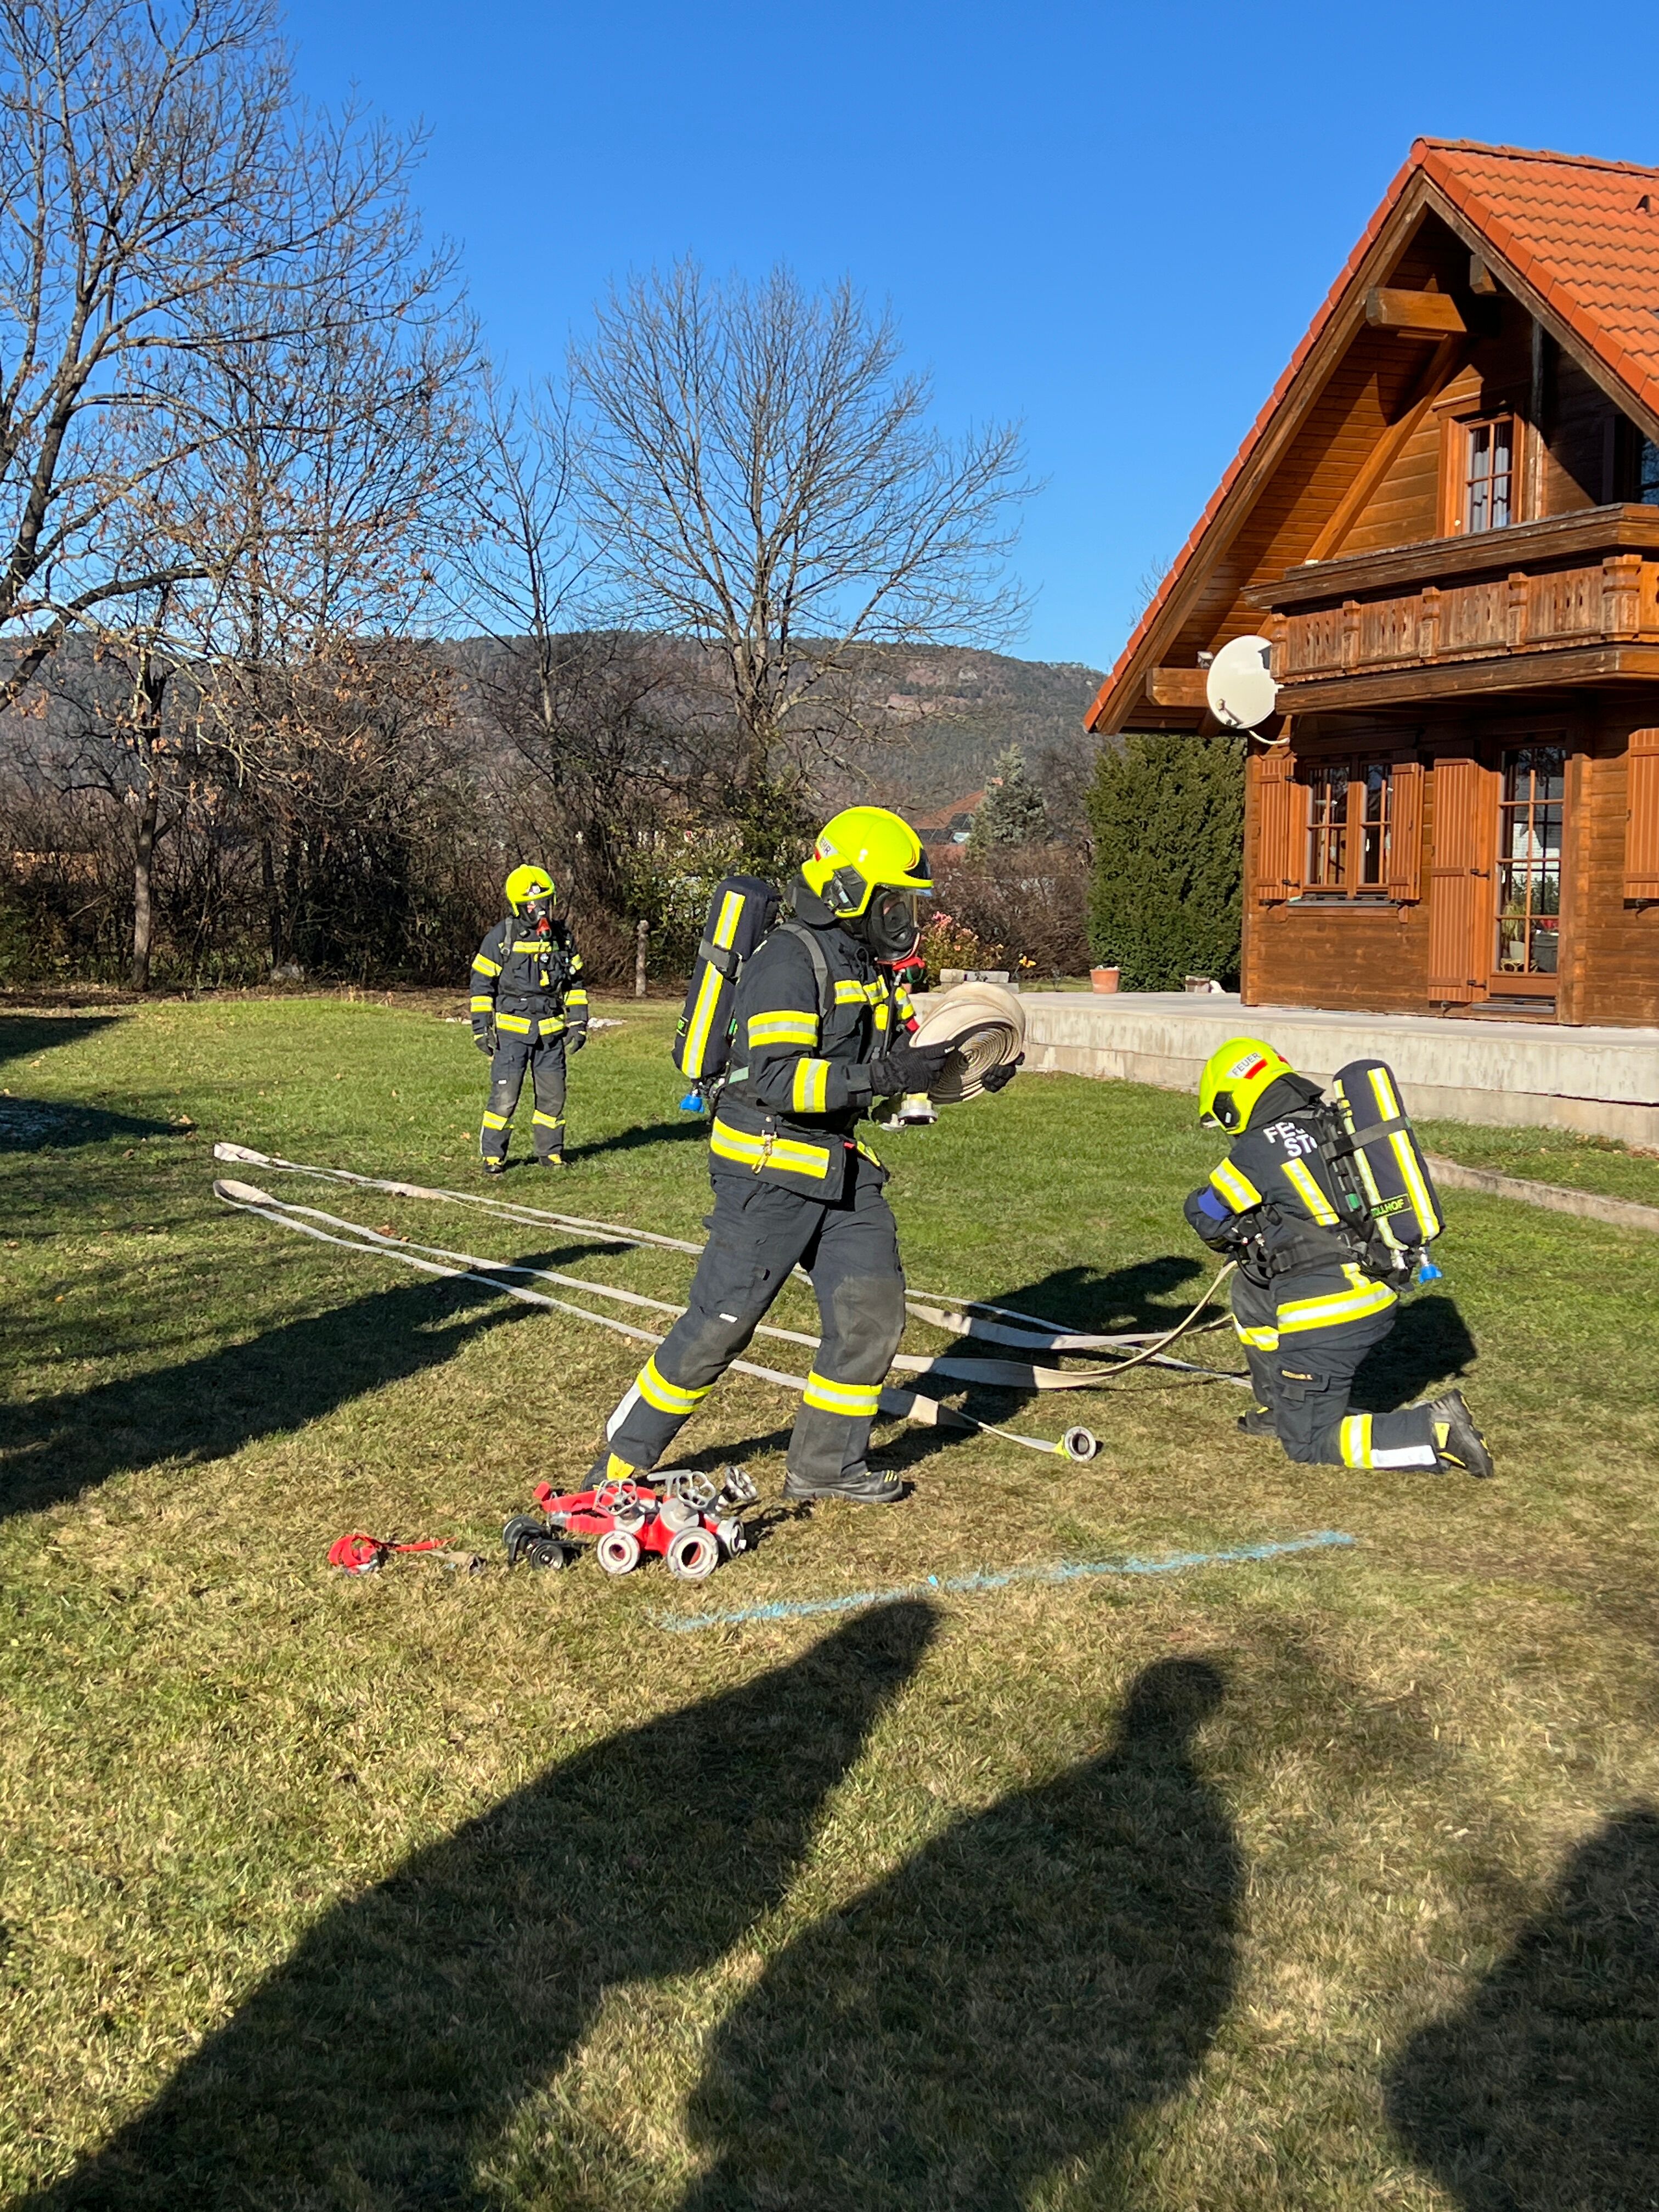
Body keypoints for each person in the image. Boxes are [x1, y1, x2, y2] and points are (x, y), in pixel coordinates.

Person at [593, 805, 999, 1505]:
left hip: (840, 1172)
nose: (901, 917)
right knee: (720, 1327)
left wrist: (967, 1069)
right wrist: (882, 1076)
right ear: (847, 891)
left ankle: (824, 1466)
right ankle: (616, 1471)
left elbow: (884, 1065)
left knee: (871, 1313)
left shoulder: (863, 965)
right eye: (892, 901)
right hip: (768, 1172)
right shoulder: (787, 961)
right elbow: (780, 1081)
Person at [1183, 1037, 1493, 1478]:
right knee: (1249, 1292)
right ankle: (1279, 1405)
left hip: (1326, 1314)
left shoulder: (1255, 1152)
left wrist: (1231, 1227)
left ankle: (1435, 1431)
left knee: (1309, 1441)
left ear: (1232, 1105)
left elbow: (1207, 1214)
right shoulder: (1333, 1123)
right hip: (1377, 1288)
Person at [470, 866, 588, 1173]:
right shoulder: (501, 937)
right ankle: (493, 1156)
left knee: (553, 1098)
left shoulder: (562, 939)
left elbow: (575, 984)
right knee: (505, 1098)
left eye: (545, 902)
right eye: (532, 905)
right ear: (518, 906)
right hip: (512, 1035)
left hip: (551, 1035)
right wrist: (481, 1029)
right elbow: (482, 985)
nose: (540, 910)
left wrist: (579, 1023)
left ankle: (551, 1154)